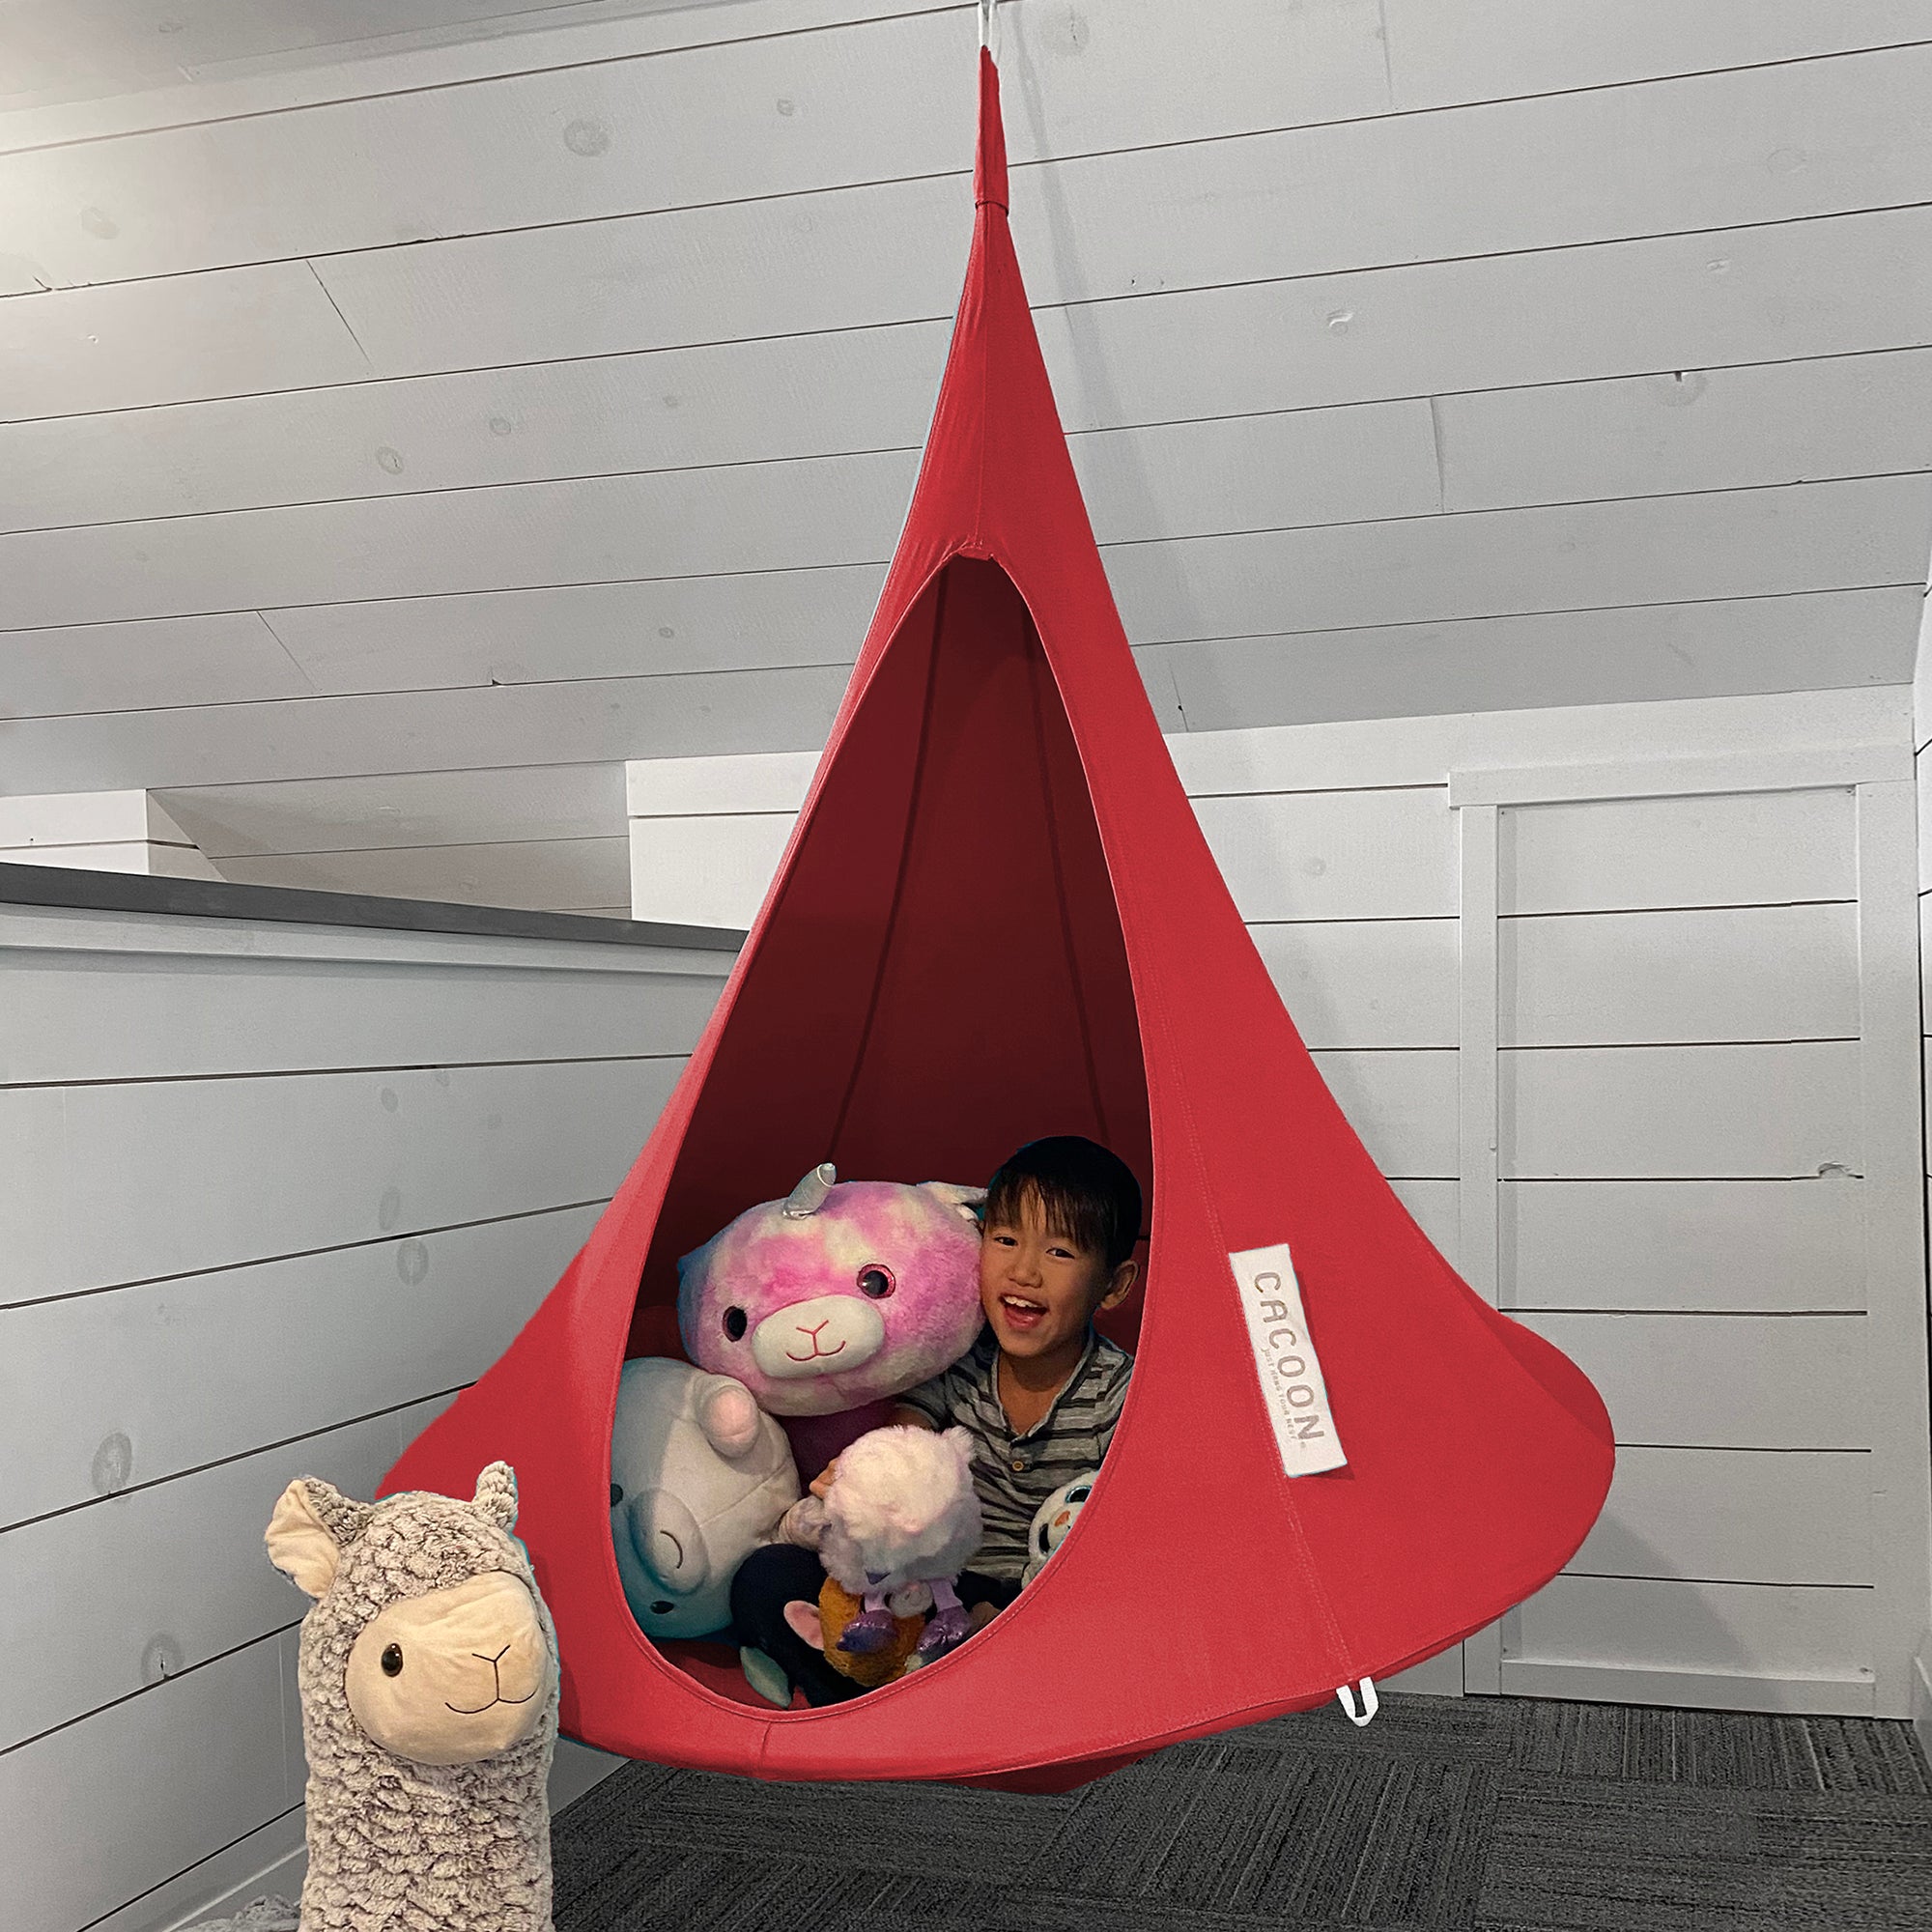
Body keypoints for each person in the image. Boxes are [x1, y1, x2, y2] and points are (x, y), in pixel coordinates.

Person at [729, 1134, 1142, 1706]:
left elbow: (1125, 1540)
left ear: (1114, 1285)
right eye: (1005, 1240)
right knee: (766, 1577)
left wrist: (1020, 1609)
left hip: (1042, 1603)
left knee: (1100, 1637)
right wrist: (863, 1479)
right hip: (935, 1588)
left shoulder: (1117, 1391)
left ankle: (939, 1687)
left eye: (1060, 1252)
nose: (1024, 1271)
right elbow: (906, 1436)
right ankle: (865, 1700)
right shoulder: (961, 1356)